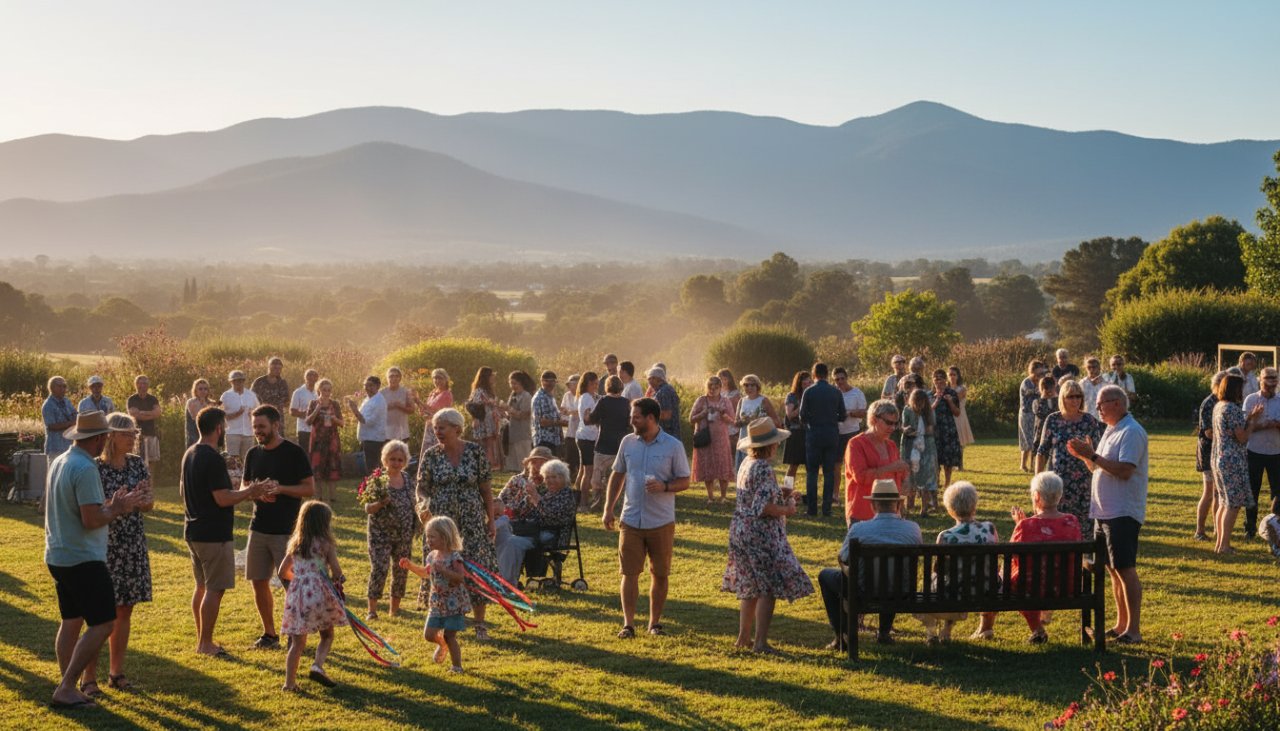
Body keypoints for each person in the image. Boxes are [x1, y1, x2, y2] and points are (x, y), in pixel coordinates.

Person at [43, 411, 144, 708]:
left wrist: (110, 506)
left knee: (71, 621)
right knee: (103, 624)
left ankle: (69, 686)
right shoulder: (86, 468)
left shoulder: (60, 461)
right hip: (83, 557)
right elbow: (91, 519)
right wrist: (119, 508)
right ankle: (66, 687)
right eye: (104, 436)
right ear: (100, 438)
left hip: (58, 553)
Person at [603, 397, 692, 639]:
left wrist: (664, 486)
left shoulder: (673, 446)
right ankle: (628, 624)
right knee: (629, 573)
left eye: (636, 417)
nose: (631, 420)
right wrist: (608, 508)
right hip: (630, 519)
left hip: (661, 522)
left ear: (651, 418)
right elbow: (617, 475)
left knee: (660, 574)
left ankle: (654, 623)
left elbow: (685, 480)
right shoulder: (628, 442)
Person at [723, 418, 812, 654]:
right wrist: (788, 509)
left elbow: (753, 495)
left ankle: (743, 638)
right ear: (771, 445)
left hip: (740, 529)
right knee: (767, 588)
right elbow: (763, 508)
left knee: (750, 586)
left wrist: (780, 492)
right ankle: (761, 643)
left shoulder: (747, 463)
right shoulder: (764, 467)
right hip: (760, 534)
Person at [1067, 384, 1149, 644]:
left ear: (1117, 403)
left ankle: (1133, 630)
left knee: (1125, 569)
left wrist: (1092, 454)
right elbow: (1099, 469)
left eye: (1101, 403)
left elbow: (1124, 470)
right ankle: (1121, 623)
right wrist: (1086, 457)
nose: (1097, 408)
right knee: (1113, 570)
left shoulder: (1132, 432)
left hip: (1122, 512)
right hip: (1103, 511)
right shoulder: (1111, 430)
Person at [182, 406, 265, 658]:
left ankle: (202, 639)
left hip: (193, 529)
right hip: (213, 533)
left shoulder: (190, 453)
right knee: (214, 589)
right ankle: (206, 643)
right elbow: (223, 498)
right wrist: (251, 491)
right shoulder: (212, 457)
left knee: (201, 587)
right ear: (219, 428)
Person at [415, 408, 499, 641]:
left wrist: (491, 519)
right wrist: (423, 504)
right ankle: (442, 621)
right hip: (442, 524)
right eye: (435, 428)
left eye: (442, 427)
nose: (438, 432)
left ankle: (480, 623)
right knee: (442, 569)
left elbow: (485, 488)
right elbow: (421, 487)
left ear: (457, 428)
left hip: (472, 521)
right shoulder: (431, 455)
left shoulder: (475, 452)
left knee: (474, 566)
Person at [85, 413, 154, 692]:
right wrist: (117, 505)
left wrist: (143, 501)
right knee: (100, 614)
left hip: (132, 542)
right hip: (105, 544)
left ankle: (116, 674)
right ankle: (88, 677)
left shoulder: (137, 464)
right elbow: (90, 507)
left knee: (125, 609)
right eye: (128, 434)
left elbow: (149, 504)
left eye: (135, 434)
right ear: (111, 436)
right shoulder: (94, 469)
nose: (133, 438)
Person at [243, 405, 315, 650]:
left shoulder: (293, 452)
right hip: (258, 528)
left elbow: (309, 489)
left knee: (290, 584)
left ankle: (296, 635)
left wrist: (281, 488)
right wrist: (256, 493)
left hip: (287, 531)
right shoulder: (253, 453)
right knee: (258, 581)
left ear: (276, 425)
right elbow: (245, 486)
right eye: (255, 428)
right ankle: (270, 634)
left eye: (262, 427)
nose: (258, 432)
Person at [818, 479, 922, 648]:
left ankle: (841, 636)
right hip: (901, 591)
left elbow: (844, 557)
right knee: (891, 575)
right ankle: (884, 632)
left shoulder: (859, 529)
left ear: (873, 505)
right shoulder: (913, 529)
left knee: (825, 575)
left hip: (863, 591)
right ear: (898, 503)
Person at [914, 482, 997, 643]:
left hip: (954, 591)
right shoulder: (990, 528)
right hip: (986, 589)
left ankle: (933, 632)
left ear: (950, 510)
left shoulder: (945, 536)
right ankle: (948, 629)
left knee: (934, 582)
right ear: (974, 505)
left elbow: (939, 570)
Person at [279, 500, 348, 691]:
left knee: (297, 642)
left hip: (298, 596)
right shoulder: (326, 544)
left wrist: (300, 580)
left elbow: (282, 572)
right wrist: (339, 579)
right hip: (319, 595)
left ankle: (289, 684)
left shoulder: (295, 544)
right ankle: (317, 665)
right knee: (327, 634)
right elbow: (336, 571)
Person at [1009, 472, 1082, 644]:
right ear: (1060, 495)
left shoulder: (1025, 526)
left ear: (1036, 496)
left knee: (1012, 577)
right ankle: (1039, 627)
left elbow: (1013, 555)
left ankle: (1037, 629)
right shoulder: (1072, 521)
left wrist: (1021, 525)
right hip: (1066, 586)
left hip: (1030, 589)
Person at [400, 516, 469, 674]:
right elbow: (426, 573)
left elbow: (460, 577)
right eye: (427, 536)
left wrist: (445, 571)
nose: (428, 540)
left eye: (432, 536)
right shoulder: (431, 556)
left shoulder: (455, 557)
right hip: (437, 602)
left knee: (450, 636)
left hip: (453, 603)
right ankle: (441, 644)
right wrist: (410, 566)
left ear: (444, 536)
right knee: (429, 635)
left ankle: (457, 666)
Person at [1035, 379, 1105, 527]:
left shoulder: (1089, 421)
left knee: (1084, 527)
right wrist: (1038, 483)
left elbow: (1098, 453)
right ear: (1062, 398)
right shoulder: (1052, 419)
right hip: (1056, 483)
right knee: (1056, 525)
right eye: (1070, 396)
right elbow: (1042, 452)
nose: (1075, 400)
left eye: (1078, 396)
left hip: (1084, 483)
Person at [365, 440, 419, 620]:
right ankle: (372, 610)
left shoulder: (408, 480)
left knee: (401, 571)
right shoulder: (378, 480)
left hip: (404, 534)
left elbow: (415, 503)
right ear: (385, 460)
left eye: (400, 460)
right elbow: (367, 508)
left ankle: (394, 610)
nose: (396, 463)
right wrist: (380, 503)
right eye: (392, 459)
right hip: (380, 533)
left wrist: (418, 523)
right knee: (380, 568)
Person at [1210, 373, 1263, 554]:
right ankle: (1224, 546)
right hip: (1232, 461)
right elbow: (1242, 437)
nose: (1242, 391)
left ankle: (1219, 543)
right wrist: (1253, 422)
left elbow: (1234, 429)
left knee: (1224, 502)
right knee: (1233, 504)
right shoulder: (1232, 408)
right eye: (1240, 388)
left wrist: (1249, 417)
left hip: (1220, 458)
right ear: (1234, 389)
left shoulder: (1219, 406)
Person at [846, 399, 910, 524]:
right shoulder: (856, 444)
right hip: (862, 514)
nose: (892, 428)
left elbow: (899, 474)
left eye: (895, 424)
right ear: (874, 420)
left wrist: (906, 481)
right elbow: (860, 477)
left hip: (891, 514)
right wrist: (891, 468)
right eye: (888, 423)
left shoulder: (891, 445)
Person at [493, 446, 552, 584]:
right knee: (493, 532)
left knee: (507, 539)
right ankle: (495, 577)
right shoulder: (517, 480)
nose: (537, 466)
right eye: (534, 462)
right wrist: (502, 510)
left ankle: (506, 580)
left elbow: (544, 509)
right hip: (508, 521)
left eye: (542, 462)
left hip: (530, 526)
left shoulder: (549, 483)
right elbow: (500, 500)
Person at [800, 362, 845, 517]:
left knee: (812, 472)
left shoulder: (809, 392)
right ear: (827, 374)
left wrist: (813, 421)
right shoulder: (836, 392)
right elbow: (843, 415)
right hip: (831, 434)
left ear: (814, 374)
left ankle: (812, 509)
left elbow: (802, 416)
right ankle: (827, 509)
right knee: (829, 472)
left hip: (814, 434)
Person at [1243, 367, 1280, 539]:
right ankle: (1250, 528)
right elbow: (1244, 428)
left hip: (1276, 451)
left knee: (1278, 493)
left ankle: (1276, 527)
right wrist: (1263, 425)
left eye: (1275, 379)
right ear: (1260, 380)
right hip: (1255, 451)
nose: (1272, 382)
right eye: (1268, 379)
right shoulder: (1251, 400)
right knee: (1252, 491)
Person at [589, 375, 631, 510]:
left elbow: (592, 418)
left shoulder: (603, 401)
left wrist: (587, 415)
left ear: (607, 387)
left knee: (598, 474)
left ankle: (597, 500)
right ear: (621, 387)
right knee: (620, 474)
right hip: (620, 444)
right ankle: (619, 501)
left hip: (603, 444)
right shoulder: (626, 403)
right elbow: (629, 423)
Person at [1193, 372, 1227, 540]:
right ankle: (1200, 531)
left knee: (1219, 493)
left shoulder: (1224, 401)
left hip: (1220, 451)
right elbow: (1208, 432)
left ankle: (1217, 528)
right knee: (1208, 492)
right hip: (1208, 452)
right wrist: (1231, 437)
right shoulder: (1209, 403)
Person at [691, 375, 735, 504]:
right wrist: (703, 413)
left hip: (721, 437)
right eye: (710, 387)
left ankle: (723, 496)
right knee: (707, 466)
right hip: (705, 437)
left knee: (723, 466)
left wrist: (723, 413)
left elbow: (732, 420)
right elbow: (691, 419)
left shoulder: (726, 401)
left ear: (721, 388)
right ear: (707, 387)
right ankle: (710, 497)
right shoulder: (701, 400)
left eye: (716, 387)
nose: (713, 389)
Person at [305, 379, 344, 504]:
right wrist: (317, 409)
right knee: (317, 468)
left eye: (329, 390)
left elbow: (342, 423)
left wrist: (333, 418)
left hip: (332, 439)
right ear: (319, 390)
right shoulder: (313, 403)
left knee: (332, 466)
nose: (326, 392)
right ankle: (318, 497)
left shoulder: (335, 404)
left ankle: (333, 497)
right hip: (317, 440)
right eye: (324, 389)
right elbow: (308, 421)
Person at [900, 388, 937, 515]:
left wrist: (925, 431)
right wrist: (908, 430)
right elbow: (904, 426)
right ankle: (909, 505)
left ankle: (924, 508)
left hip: (926, 446)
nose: (920, 405)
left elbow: (931, 429)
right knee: (909, 474)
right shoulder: (907, 410)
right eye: (917, 402)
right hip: (910, 445)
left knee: (926, 476)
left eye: (922, 402)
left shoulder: (929, 411)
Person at [348, 375, 389, 478]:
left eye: (370, 386)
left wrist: (355, 410)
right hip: (367, 437)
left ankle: (375, 489)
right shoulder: (368, 399)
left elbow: (368, 421)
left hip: (374, 439)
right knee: (370, 467)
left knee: (373, 468)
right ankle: (372, 487)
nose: (367, 388)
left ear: (378, 386)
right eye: (365, 385)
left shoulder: (378, 401)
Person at [931, 369, 963, 490]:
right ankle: (936, 481)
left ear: (945, 380)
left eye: (941, 378)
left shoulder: (952, 393)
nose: (938, 380)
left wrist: (949, 401)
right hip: (934, 430)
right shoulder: (929, 394)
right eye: (936, 378)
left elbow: (957, 413)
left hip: (948, 429)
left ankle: (947, 482)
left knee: (948, 459)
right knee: (935, 458)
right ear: (933, 380)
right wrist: (936, 400)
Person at [574, 371, 601, 509]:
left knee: (583, 471)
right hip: (587, 437)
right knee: (588, 471)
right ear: (586, 384)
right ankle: (583, 504)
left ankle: (577, 500)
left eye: (596, 383)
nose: (595, 386)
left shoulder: (588, 396)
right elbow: (589, 418)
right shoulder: (587, 398)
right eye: (592, 384)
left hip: (585, 436)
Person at [467, 367, 503, 471]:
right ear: (486, 377)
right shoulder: (479, 391)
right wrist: (476, 418)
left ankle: (491, 465)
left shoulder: (487, 391)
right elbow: (473, 405)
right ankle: (487, 465)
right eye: (492, 376)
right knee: (486, 443)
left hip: (490, 420)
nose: (493, 378)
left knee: (490, 442)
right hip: (483, 420)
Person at [220, 370, 260, 463]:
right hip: (232, 432)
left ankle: (246, 478)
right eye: (235, 381)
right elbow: (221, 416)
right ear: (231, 382)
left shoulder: (251, 395)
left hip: (249, 432)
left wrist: (252, 414)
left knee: (248, 460)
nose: (238, 383)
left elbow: (259, 411)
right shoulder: (225, 396)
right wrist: (236, 414)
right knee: (232, 460)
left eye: (241, 380)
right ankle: (233, 477)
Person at [781, 371, 811, 486]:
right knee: (793, 465)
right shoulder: (792, 396)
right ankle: (787, 490)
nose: (807, 386)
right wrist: (802, 404)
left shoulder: (814, 394)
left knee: (811, 466)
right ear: (799, 384)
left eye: (809, 383)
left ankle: (810, 493)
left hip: (810, 432)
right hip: (796, 433)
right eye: (804, 383)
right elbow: (790, 415)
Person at [502, 370, 535, 472]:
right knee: (514, 465)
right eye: (511, 383)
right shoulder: (513, 395)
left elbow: (524, 415)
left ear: (521, 383)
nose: (513, 386)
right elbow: (509, 413)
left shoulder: (526, 396)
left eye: (515, 383)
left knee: (524, 463)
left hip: (523, 433)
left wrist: (508, 409)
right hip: (513, 433)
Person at [42, 375, 79, 466]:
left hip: (69, 446)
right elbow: (51, 426)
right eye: (60, 386)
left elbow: (75, 414)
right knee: (54, 477)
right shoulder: (48, 405)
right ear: (52, 388)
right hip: (56, 448)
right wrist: (71, 423)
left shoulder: (66, 401)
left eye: (64, 386)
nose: (63, 388)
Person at [1018, 360, 1047, 472]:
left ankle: (1032, 465)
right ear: (1032, 372)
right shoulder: (1027, 382)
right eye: (1039, 374)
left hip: (1037, 414)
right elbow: (1033, 392)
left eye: (1042, 374)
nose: (1041, 376)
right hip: (1026, 415)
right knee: (1027, 440)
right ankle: (1023, 465)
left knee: (1036, 440)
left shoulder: (1039, 382)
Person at [126, 375, 162, 466]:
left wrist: (142, 412)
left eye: (145, 383)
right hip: (136, 435)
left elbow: (157, 413)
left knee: (151, 462)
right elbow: (134, 414)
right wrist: (151, 414)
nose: (143, 386)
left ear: (148, 385)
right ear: (136, 385)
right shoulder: (132, 399)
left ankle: (151, 480)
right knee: (137, 461)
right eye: (140, 383)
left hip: (151, 433)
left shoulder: (153, 399)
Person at [418, 368, 455, 457]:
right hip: (429, 426)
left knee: (438, 452)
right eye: (435, 378)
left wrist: (430, 415)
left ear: (446, 379)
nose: (437, 380)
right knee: (427, 452)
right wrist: (417, 401)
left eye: (440, 378)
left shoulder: (446, 394)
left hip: (440, 427)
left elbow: (444, 414)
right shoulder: (433, 393)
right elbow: (427, 408)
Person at [251, 357, 291, 438]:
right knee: (262, 437)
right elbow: (251, 398)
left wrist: (278, 404)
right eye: (274, 367)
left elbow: (287, 401)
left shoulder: (282, 383)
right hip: (262, 415)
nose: (277, 370)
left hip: (277, 417)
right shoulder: (259, 382)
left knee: (279, 439)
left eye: (279, 368)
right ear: (269, 367)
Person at [834, 367, 868, 458]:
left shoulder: (857, 393)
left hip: (852, 432)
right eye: (837, 379)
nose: (840, 381)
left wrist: (849, 413)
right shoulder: (832, 394)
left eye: (842, 378)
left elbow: (863, 412)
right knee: (836, 462)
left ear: (846, 378)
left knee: (853, 460)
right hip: (836, 432)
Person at [381, 366, 419, 446]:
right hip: (386, 432)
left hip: (402, 432)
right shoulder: (382, 393)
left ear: (400, 378)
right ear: (387, 378)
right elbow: (377, 411)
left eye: (396, 376)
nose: (394, 378)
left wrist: (400, 406)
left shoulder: (406, 392)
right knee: (386, 457)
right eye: (391, 376)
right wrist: (388, 406)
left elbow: (412, 410)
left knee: (402, 456)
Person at [531, 370, 566, 451]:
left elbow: (552, 416)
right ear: (542, 381)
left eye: (553, 381)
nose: (551, 384)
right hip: (544, 440)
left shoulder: (549, 396)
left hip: (553, 441)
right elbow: (542, 422)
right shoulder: (540, 397)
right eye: (548, 381)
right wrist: (560, 423)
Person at [289, 369, 319, 453]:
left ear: (317, 378)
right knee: (304, 454)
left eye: (314, 375)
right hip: (303, 429)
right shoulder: (298, 392)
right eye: (309, 375)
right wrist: (308, 414)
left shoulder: (319, 393)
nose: (312, 377)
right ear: (305, 377)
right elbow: (292, 411)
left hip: (317, 429)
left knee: (316, 455)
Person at [718, 369, 743, 471]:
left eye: (725, 379)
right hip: (719, 422)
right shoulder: (718, 392)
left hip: (731, 421)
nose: (723, 381)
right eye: (720, 379)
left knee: (731, 444)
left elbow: (738, 409)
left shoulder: (735, 393)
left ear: (729, 379)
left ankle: (732, 468)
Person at [646, 367, 681, 438]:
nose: (649, 381)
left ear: (659, 378)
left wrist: (648, 416)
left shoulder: (664, 391)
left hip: (667, 434)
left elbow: (666, 415)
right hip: (670, 434)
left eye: (652, 378)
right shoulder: (666, 389)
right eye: (648, 379)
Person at [1030, 375, 1059, 455]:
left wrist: (1055, 397)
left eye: (1051, 387)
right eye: (1046, 388)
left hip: (1056, 432)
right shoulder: (1036, 402)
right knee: (1039, 453)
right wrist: (1043, 397)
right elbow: (1040, 413)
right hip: (1041, 432)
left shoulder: (1059, 401)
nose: (1049, 390)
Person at [560, 373, 581, 476]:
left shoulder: (584, 396)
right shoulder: (567, 395)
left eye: (573, 385)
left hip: (581, 431)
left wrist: (570, 412)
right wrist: (564, 412)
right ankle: (569, 476)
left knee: (579, 456)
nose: (571, 387)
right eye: (570, 385)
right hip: (569, 430)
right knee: (569, 455)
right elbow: (563, 409)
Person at [948, 366, 975, 447]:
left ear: (958, 376)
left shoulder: (962, 389)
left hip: (959, 417)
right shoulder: (946, 389)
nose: (952, 377)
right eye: (950, 375)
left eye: (954, 374)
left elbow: (955, 399)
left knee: (960, 444)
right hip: (949, 417)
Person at [185, 378, 214, 449]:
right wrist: (203, 405)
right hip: (194, 435)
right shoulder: (191, 402)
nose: (203, 391)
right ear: (195, 390)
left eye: (205, 389)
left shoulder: (211, 403)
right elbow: (195, 417)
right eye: (200, 389)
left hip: (208, 435)